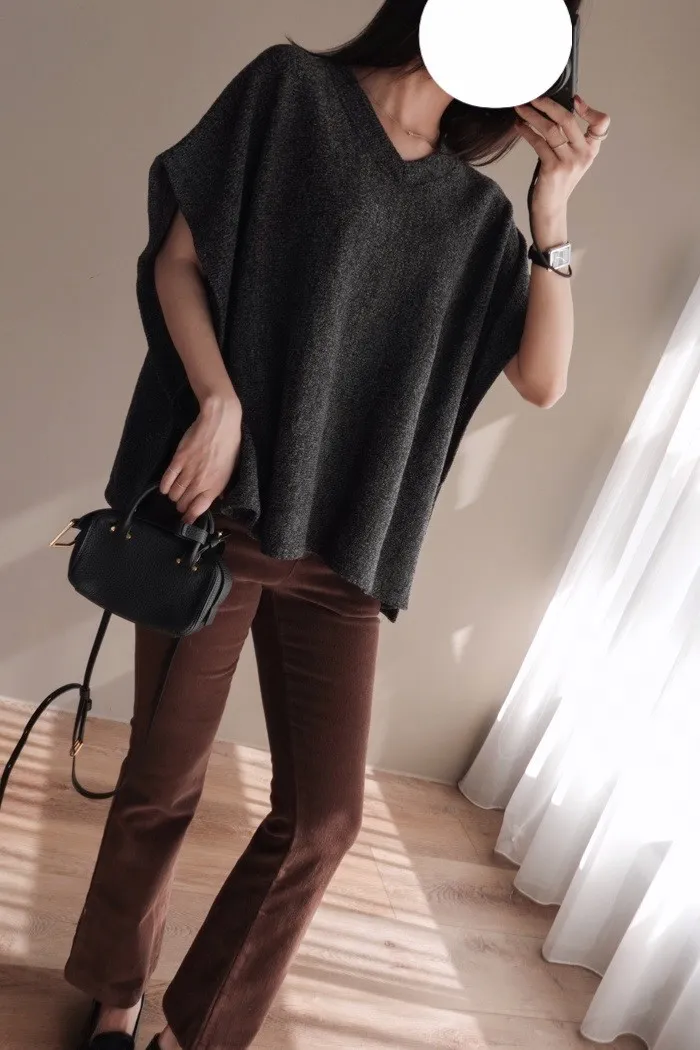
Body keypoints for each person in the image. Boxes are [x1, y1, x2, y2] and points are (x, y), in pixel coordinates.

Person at [63, 1, 610, 1048]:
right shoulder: (291, 97)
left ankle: (197, 1030)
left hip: (347, 547)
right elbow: (176, 262)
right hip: (220, 519)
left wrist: (551, 212)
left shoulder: (475, 218)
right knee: (161, 784)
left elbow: (542, 381)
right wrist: (218, 400)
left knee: (325, 818)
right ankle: (114, 997)